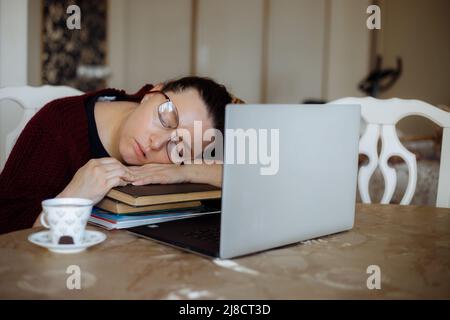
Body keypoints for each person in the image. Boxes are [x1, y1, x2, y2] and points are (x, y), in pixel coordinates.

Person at [0, 76, 240, 234]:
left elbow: (259, 171)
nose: (156, 143)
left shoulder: (181, 157)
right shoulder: (59, 124)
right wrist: (73, 198)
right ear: (152, 93)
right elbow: (8, 235)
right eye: (165, 119)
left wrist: (184, 170)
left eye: (179, 149)